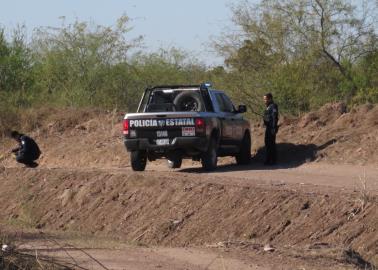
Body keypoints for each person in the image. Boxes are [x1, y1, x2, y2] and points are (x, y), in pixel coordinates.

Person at [263, 93, 278, 165]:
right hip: (268, 127)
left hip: (271, 128)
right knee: (267, 143)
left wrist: (273, 128)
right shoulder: (268, 107)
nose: (264, 101)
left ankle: (272, 160)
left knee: (271, 144)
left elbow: (274, 118)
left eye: (266, 99)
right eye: (264, 99)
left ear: (270, 99)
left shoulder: (273, 106)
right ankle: (269, 159)